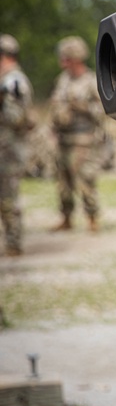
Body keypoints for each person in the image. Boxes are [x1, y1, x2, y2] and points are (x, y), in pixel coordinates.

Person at [49, 35, 105, 232]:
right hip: (63, 138)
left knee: (85, 180)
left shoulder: (91, 81)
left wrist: (82, 106)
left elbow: (102, 111)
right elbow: (55, 106)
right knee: (63, 182)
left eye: (66, 58)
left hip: (84, 140)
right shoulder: (62, 80)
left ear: (76, 58)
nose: (62, 62)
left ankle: (92, 218)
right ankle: (66, 218)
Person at [0, 34, 34, 257]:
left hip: (9, 150)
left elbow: (18, 117)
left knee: (8, 197)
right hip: (5, 148)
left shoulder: (13, 81)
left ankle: (13, 243)